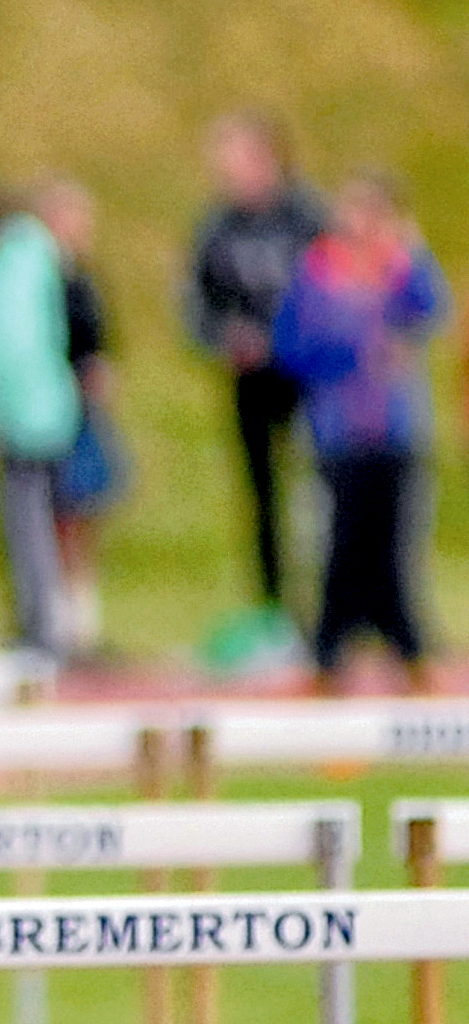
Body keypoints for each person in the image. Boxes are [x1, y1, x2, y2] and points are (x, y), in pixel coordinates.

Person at [271, 170, 450, 691]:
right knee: (340, 543)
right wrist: (351, 354)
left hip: (395, 430)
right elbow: (291, 348)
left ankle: (406, 643)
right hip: (337, 431)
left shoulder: (397, 268)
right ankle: (329, 647)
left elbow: (431, 308)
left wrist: (411, 251)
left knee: (395, 542)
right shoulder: (318, 272)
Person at [184, 111, 326, 649]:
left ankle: (329, 610)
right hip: (250, 382)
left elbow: (333, 292)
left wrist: (290, 339)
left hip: (310, 380)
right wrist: (226, 338)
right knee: (262, 498)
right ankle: (275, 613)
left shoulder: (307, 218)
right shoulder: (217, 226)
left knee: (319, 494)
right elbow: (196, 305)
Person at [0, 191, 79, 658]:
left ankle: (44, 628)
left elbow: (9, 344)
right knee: (31, 524)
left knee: (30, 524)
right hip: (37, 412)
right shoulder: (29, 261)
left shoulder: (12, 265)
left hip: (27, 417)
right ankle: (40, 623)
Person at [37, 179, 127, 662]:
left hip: (84, 414)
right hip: (55, 414)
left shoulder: (84, 277)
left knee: (84, 517)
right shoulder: (43, 278)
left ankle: (81, 624)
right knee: (56, 520)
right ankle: (58, 624)